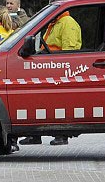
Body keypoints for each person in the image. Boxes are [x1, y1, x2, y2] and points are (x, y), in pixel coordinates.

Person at [20, 10, 81, 147]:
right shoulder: (55, 23)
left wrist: (61, 68)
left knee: (60, 103)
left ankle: (61, 135)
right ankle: (35, 134)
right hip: (49, 66)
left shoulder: (67, 23)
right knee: (41, 101)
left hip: (59, 67)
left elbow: (69, 51)